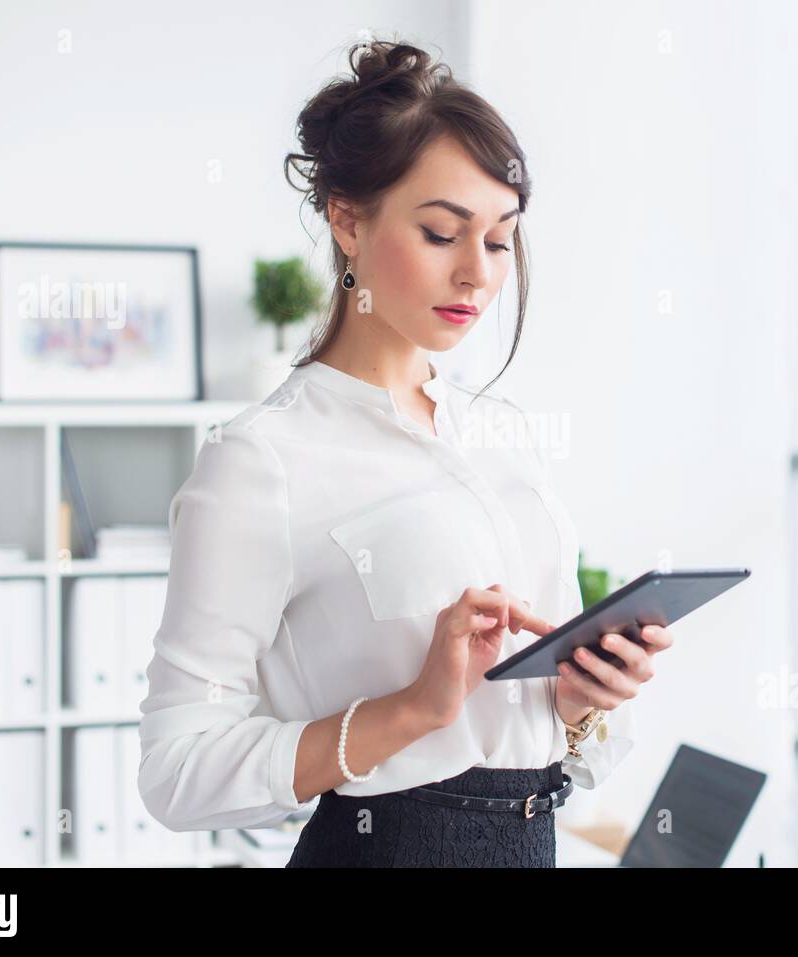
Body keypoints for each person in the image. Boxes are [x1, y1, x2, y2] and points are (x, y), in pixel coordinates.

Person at [137, 37, 674, 868]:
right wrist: (413, 709)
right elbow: (177, 772)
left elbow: (553, 737)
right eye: (440, 232)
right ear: (348, 221)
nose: (476, 275)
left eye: (500, 241)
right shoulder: (262, 462)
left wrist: (579, 701)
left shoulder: (507, 435)